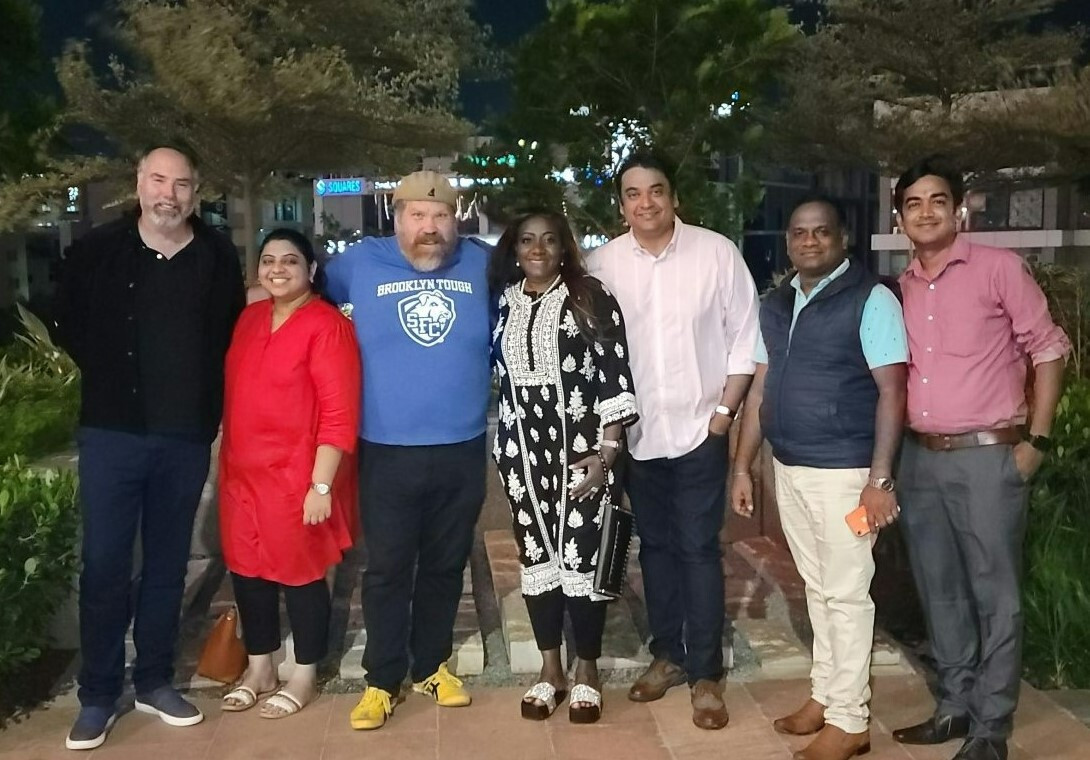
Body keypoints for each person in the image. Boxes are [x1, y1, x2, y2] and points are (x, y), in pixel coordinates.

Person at [54, 145, 245, 750]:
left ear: (196, 191)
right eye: (159, 180)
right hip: (112, 433)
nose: (169, 194)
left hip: (184, 437)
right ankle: (98, 693)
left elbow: (228, 334)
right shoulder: (98, 250)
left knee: (167, 565)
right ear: (139, 183)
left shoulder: (216, 255)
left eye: (181, 184)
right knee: (105, 565)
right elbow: (67, 323)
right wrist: (111, 376)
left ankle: (155, 680)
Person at [890, 158, 1070, 760]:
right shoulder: (901, 286)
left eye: (937, 200)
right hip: (921, 460)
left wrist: (1036, 442)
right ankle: (955, 705)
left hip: (989, 458)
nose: (926, 212)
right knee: (938, 588)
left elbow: (1049, 350)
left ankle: (992, 724)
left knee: (995, 594)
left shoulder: (999, 269)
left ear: (958, 209)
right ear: (899, 218)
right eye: (913, 203)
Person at [586, 151, 760, 730]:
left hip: (699, 430)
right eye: (633, 194)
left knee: (698, 548)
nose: (646, 203)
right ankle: (668, 655)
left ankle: (706, 672)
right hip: (636, 436)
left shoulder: (716, 254)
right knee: (655, 549)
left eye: (656, 190)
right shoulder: (602, 265)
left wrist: (723, 417)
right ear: (621, 205)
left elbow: (745, 339)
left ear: (674, 197)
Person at [731, 197, 908, 760]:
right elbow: (759, 389)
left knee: (847, 594)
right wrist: (742, 465)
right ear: (788, 241)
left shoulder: (870, 298)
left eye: (821, 232)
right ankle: (826, 696)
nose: (809, 241)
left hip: (846, 471)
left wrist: (880, 480)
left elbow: (892, 392)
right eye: (799, 233)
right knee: (817, 588)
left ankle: (851, 720)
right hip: (790, 465)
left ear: (842, 238)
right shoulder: (777, 303)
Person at [324, 171, 492, 730]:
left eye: (440, 216)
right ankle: (381, 678)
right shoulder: (358, 264)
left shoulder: (482, 264)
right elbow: (306, 300)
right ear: (396, 219)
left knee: (445, 564)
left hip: (462, 445)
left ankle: (430, 665)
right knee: (388, 568)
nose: (430, 227)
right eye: (417, 216)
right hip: (386, 448)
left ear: (456, 220)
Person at [489, 210, 638, 723]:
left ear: (564, 247)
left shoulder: (589, 296)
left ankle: (587, 671)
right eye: (527, 240)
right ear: (514, 249)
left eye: (549, 240)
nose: (537, 249)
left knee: (583, 560)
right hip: (523, 460)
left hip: (582, 456)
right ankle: (550, 669)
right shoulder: (504, 302)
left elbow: (615, 373)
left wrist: (607, 452)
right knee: (537, 561)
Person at [217, 229, 361, 719]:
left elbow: (339, 413)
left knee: (301, 575)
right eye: (269, 260)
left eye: (291, 260)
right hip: (241, 474)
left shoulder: (327, 326)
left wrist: (321, 485)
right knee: (247, 571)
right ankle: (260, 667)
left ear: (311, 271)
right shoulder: (250, 319)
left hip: (297, 477)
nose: (277, 268)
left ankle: (303, 674)